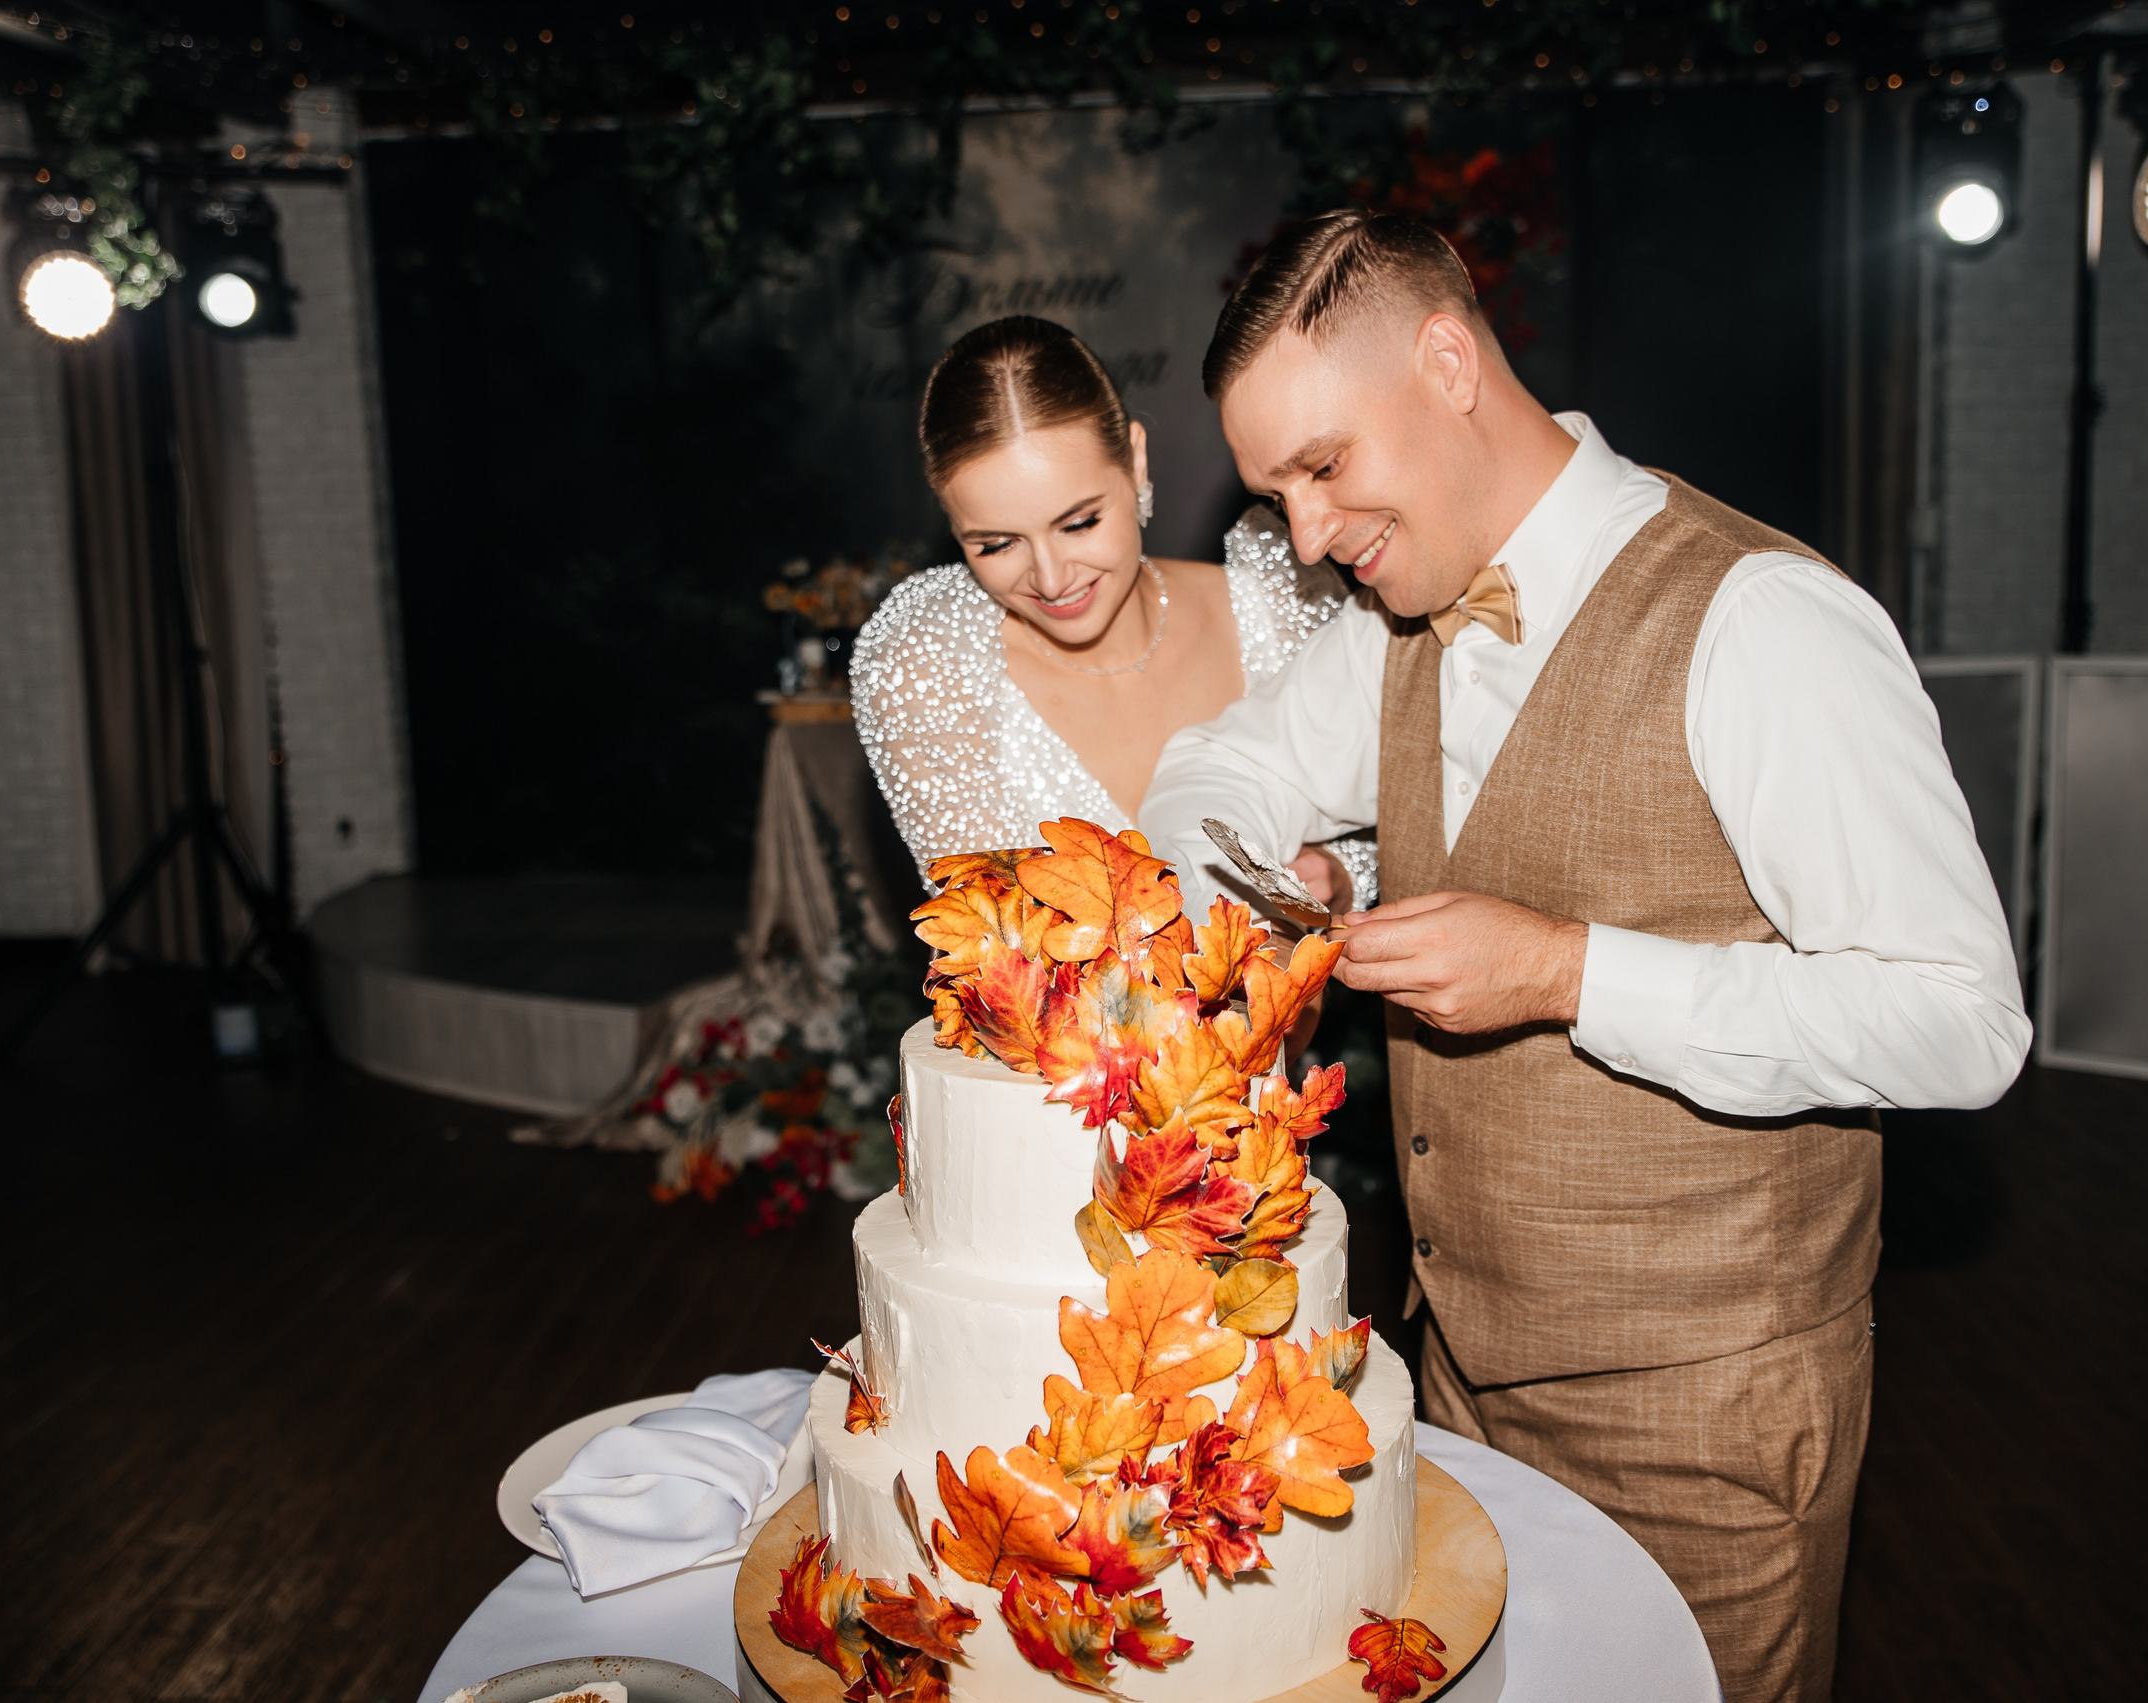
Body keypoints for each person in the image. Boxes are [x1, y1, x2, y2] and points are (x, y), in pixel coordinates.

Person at [1138, 211, 2030, 1703]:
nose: (1301, 535)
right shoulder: (1395, 624)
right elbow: (1210, 765)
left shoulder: (1764, 621)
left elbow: (1962, 1022)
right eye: (1276, 489)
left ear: (1447, 359)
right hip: (1462, 1391)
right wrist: (1259, 879)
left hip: (1708, 1422)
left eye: (1321, 466)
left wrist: (1567, 970)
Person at [850, 314, 1375, 909]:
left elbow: (1382, 823)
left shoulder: (1279, 603)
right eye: (995, 544)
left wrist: (1333, 875)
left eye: (1079, 523)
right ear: (952, 524)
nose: (1050, 579)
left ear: (1136, 461)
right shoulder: (930, 663)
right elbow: (991, 946)